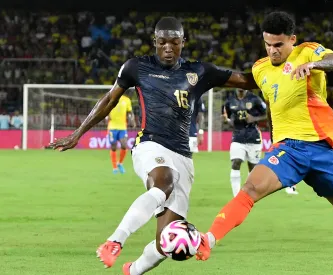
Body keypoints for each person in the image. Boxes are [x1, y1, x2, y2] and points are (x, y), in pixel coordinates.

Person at [49, 16, 259, 275]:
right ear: (155, 42)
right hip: (150, 144)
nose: (168, 47)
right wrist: (78, 133)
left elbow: (247, 80)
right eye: (162, 42)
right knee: (163, 181)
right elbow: (109, 99)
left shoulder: (199, 72)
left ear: (184, 42)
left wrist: (279, 67)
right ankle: (116, 240)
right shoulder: (137, 68)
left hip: (183, 155)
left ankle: (132, 270)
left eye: (174, 42)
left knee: (167, 243)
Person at [195, 12, 333, 275]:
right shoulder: (261, 68)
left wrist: (315, 66)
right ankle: (209, 240)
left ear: (292, 40)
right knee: (251, 187)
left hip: (321, 149)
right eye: (268, 44)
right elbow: (255, 91)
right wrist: (205, 74)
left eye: (278, 45)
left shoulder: (308, 52)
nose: (273, 51)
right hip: (288, 150)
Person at [222, 89, 267, 197]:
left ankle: (248, 193)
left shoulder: (255, 99)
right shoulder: (229, 101)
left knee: (252, 168)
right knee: (236, 162)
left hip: (253, 137)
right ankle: (236, 195)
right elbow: (229, 118)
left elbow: (267, 114)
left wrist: (254, 118)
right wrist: (227, 121)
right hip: (237, 137)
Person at [106, 95, 136, 174]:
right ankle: (114, 167)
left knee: (124, 145)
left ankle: (120, 163)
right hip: (112, 127)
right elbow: (105, 110)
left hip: (122, 127)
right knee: (113, 147)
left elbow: (130, 112)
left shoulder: (126, 100)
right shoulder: (110, 98)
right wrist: (106, 116)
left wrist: (132, 120)